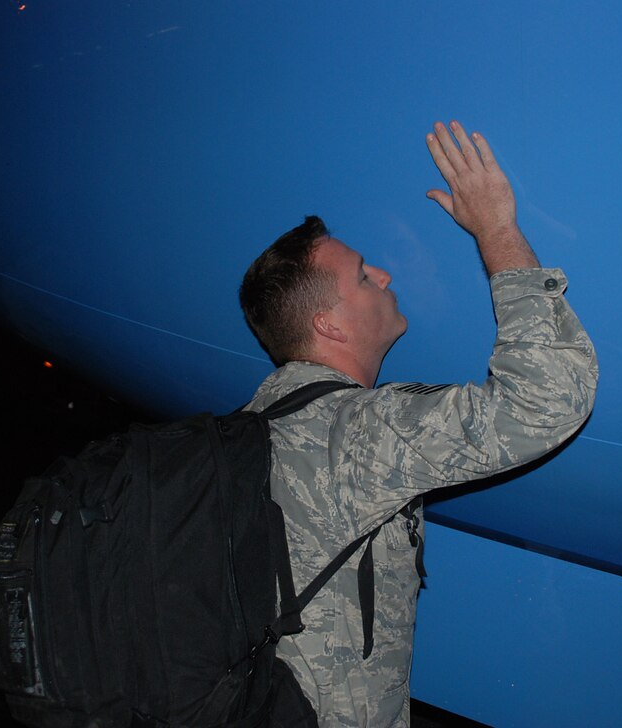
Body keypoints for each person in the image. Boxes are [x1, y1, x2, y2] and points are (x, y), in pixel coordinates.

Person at [238, 121, 598, 727]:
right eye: (360, 275)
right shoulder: (354, 434)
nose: (383, 276)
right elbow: (546, 398)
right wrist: (497, 231)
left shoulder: (255, 426)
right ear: (327, 325)